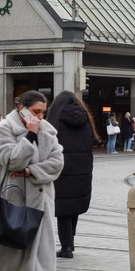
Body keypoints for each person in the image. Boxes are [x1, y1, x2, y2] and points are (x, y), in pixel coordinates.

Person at [0, 90, 64, 270]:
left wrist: (31, 171)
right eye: (36, 112)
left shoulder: (48, 130)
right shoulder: (5, 129)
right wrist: (30, 135)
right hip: (14, 202)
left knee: (42, 256)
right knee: (13, 255)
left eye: (43, 112)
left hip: (42, 202)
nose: (40, 117)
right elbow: (12, 161)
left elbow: (57, 163)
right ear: (22, 109)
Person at [46, 91, 96, 259]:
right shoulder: (86, 120)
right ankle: (70, 242)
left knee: (63, 209)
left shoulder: (55, 121)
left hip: (63, 171)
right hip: (82, 172)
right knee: (72, 207)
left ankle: (66, 247)